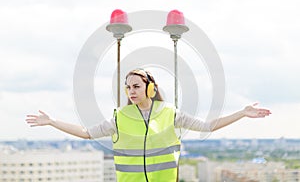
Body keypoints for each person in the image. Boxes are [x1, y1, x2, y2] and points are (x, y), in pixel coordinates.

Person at [26, 68, 271, 182]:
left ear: (150, 88)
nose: (131, 91)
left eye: (136, 86)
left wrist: (242, 112)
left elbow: (208, 126)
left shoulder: (170, 113)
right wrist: (52, 122)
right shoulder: (120, 117)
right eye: (128, 87)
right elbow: (86, 133)